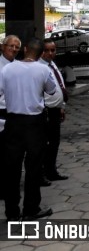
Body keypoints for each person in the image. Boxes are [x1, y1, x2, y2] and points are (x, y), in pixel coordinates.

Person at [0, 37, 57, 221]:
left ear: (24, 49)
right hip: (35, 124)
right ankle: (31, 208)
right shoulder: (43, 69)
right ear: (41, 54)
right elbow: (51, 90)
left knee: (11, 168)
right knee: (33, 168)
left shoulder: (7, 68)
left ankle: (11, 212)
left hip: (13, 122)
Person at [39, 38, 69, 183]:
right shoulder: (39, 67)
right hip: (46, 111)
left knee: (55, 142)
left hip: (56, 110)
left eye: (53, 50)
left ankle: (52, 171)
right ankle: (42, 173)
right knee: (45, 143)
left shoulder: (52, 65)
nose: (50, 53)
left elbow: (59, 85)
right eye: (47, 50)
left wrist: (61, 106)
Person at [0, 35, 22, 201]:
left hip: (16, 116)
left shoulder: (18, 66)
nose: (14, 49)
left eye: (17, 47)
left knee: (12, 157)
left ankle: (9, 189)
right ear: (3, 46)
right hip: (2, 115)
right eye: (11, 46)